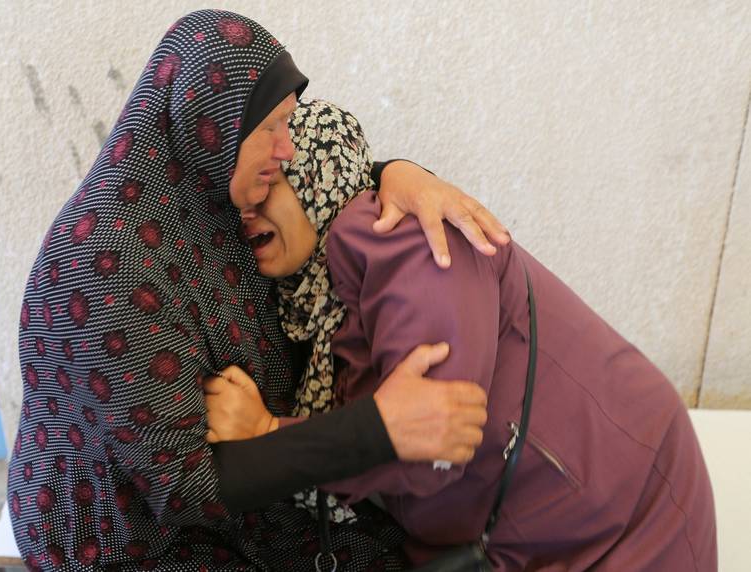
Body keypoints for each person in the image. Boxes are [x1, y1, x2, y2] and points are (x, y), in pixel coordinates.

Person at [8, 10, 507, 570]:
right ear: (209, 122)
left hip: (254, 486)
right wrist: (378, 428)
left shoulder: (207, 195)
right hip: (134, 538)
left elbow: (328, 173)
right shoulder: (105, 266)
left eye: (286, 127)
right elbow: (184, 489)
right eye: (269, 130)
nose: (286, 150)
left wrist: (401, 175)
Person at [207, 99, 717, 570]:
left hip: (623, 511)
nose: (246, 206)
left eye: (269, 180)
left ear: (316, 176)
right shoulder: (308, 297)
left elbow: (436, 441)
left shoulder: (405, 239)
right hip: (531, 529)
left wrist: (269, 437)